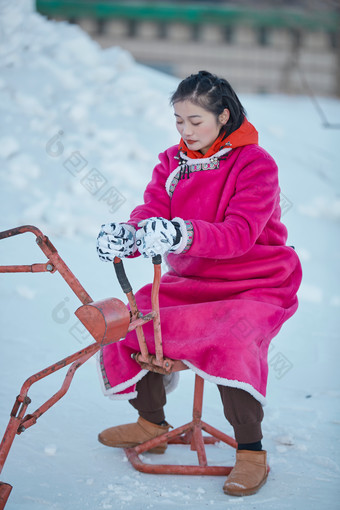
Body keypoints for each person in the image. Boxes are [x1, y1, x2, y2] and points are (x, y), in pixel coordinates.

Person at [96, 70, 302, 497]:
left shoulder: (256, 164)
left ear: (224, 116)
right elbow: (152, 210)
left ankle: (251, 452)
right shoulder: (172, 162)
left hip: (256, 282)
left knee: (231, 340)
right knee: (136, 320)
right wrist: (131, 236)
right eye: (178, 121)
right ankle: (150, 421)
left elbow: (240, 233)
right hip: (193, 279)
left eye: (195, 121)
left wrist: (181, 233)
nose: (185, 131)